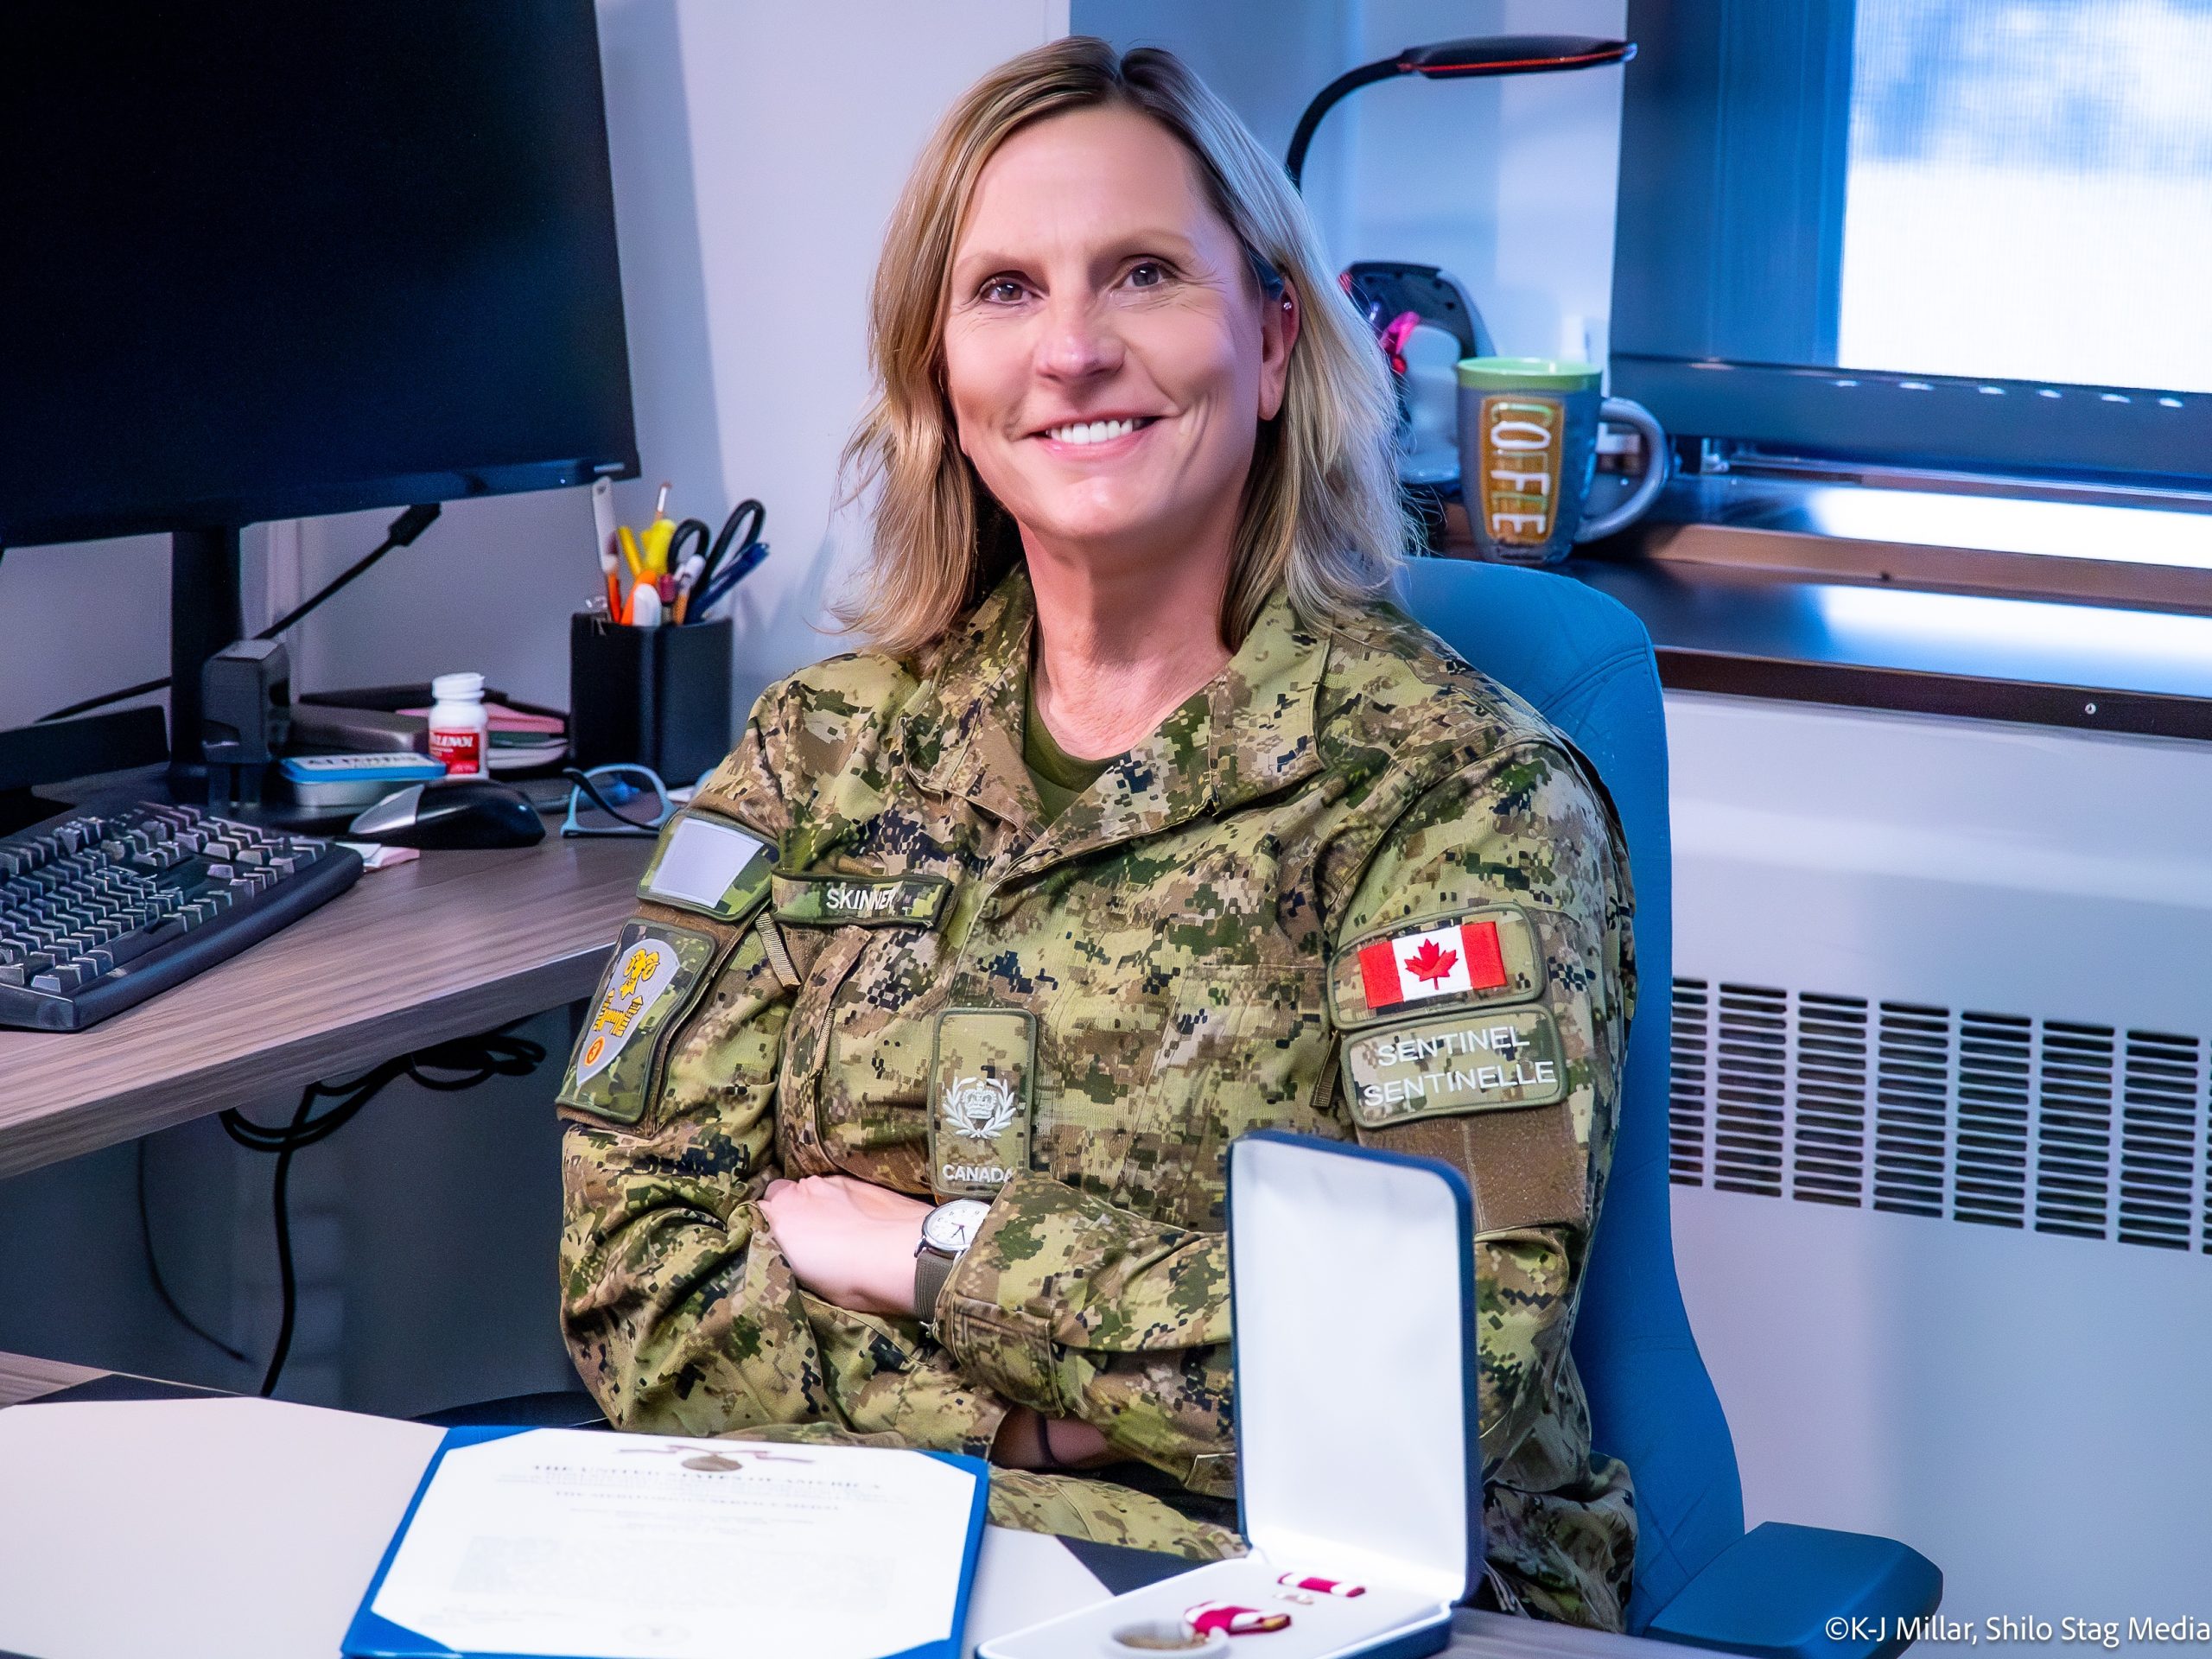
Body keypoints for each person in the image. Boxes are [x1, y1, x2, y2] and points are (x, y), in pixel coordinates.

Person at [557, 37, 1637, 1629]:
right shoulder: (818, 755)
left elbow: (1431, 1375)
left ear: (1272, 341)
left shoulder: (1453, 792)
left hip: (1341, 1608)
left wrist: (928, 1256)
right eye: (1003, 290)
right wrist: (1025, 1432)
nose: (1070, 350)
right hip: (857, 1571)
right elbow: (632, 1272)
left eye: (1139, 273)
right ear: (941, 373)